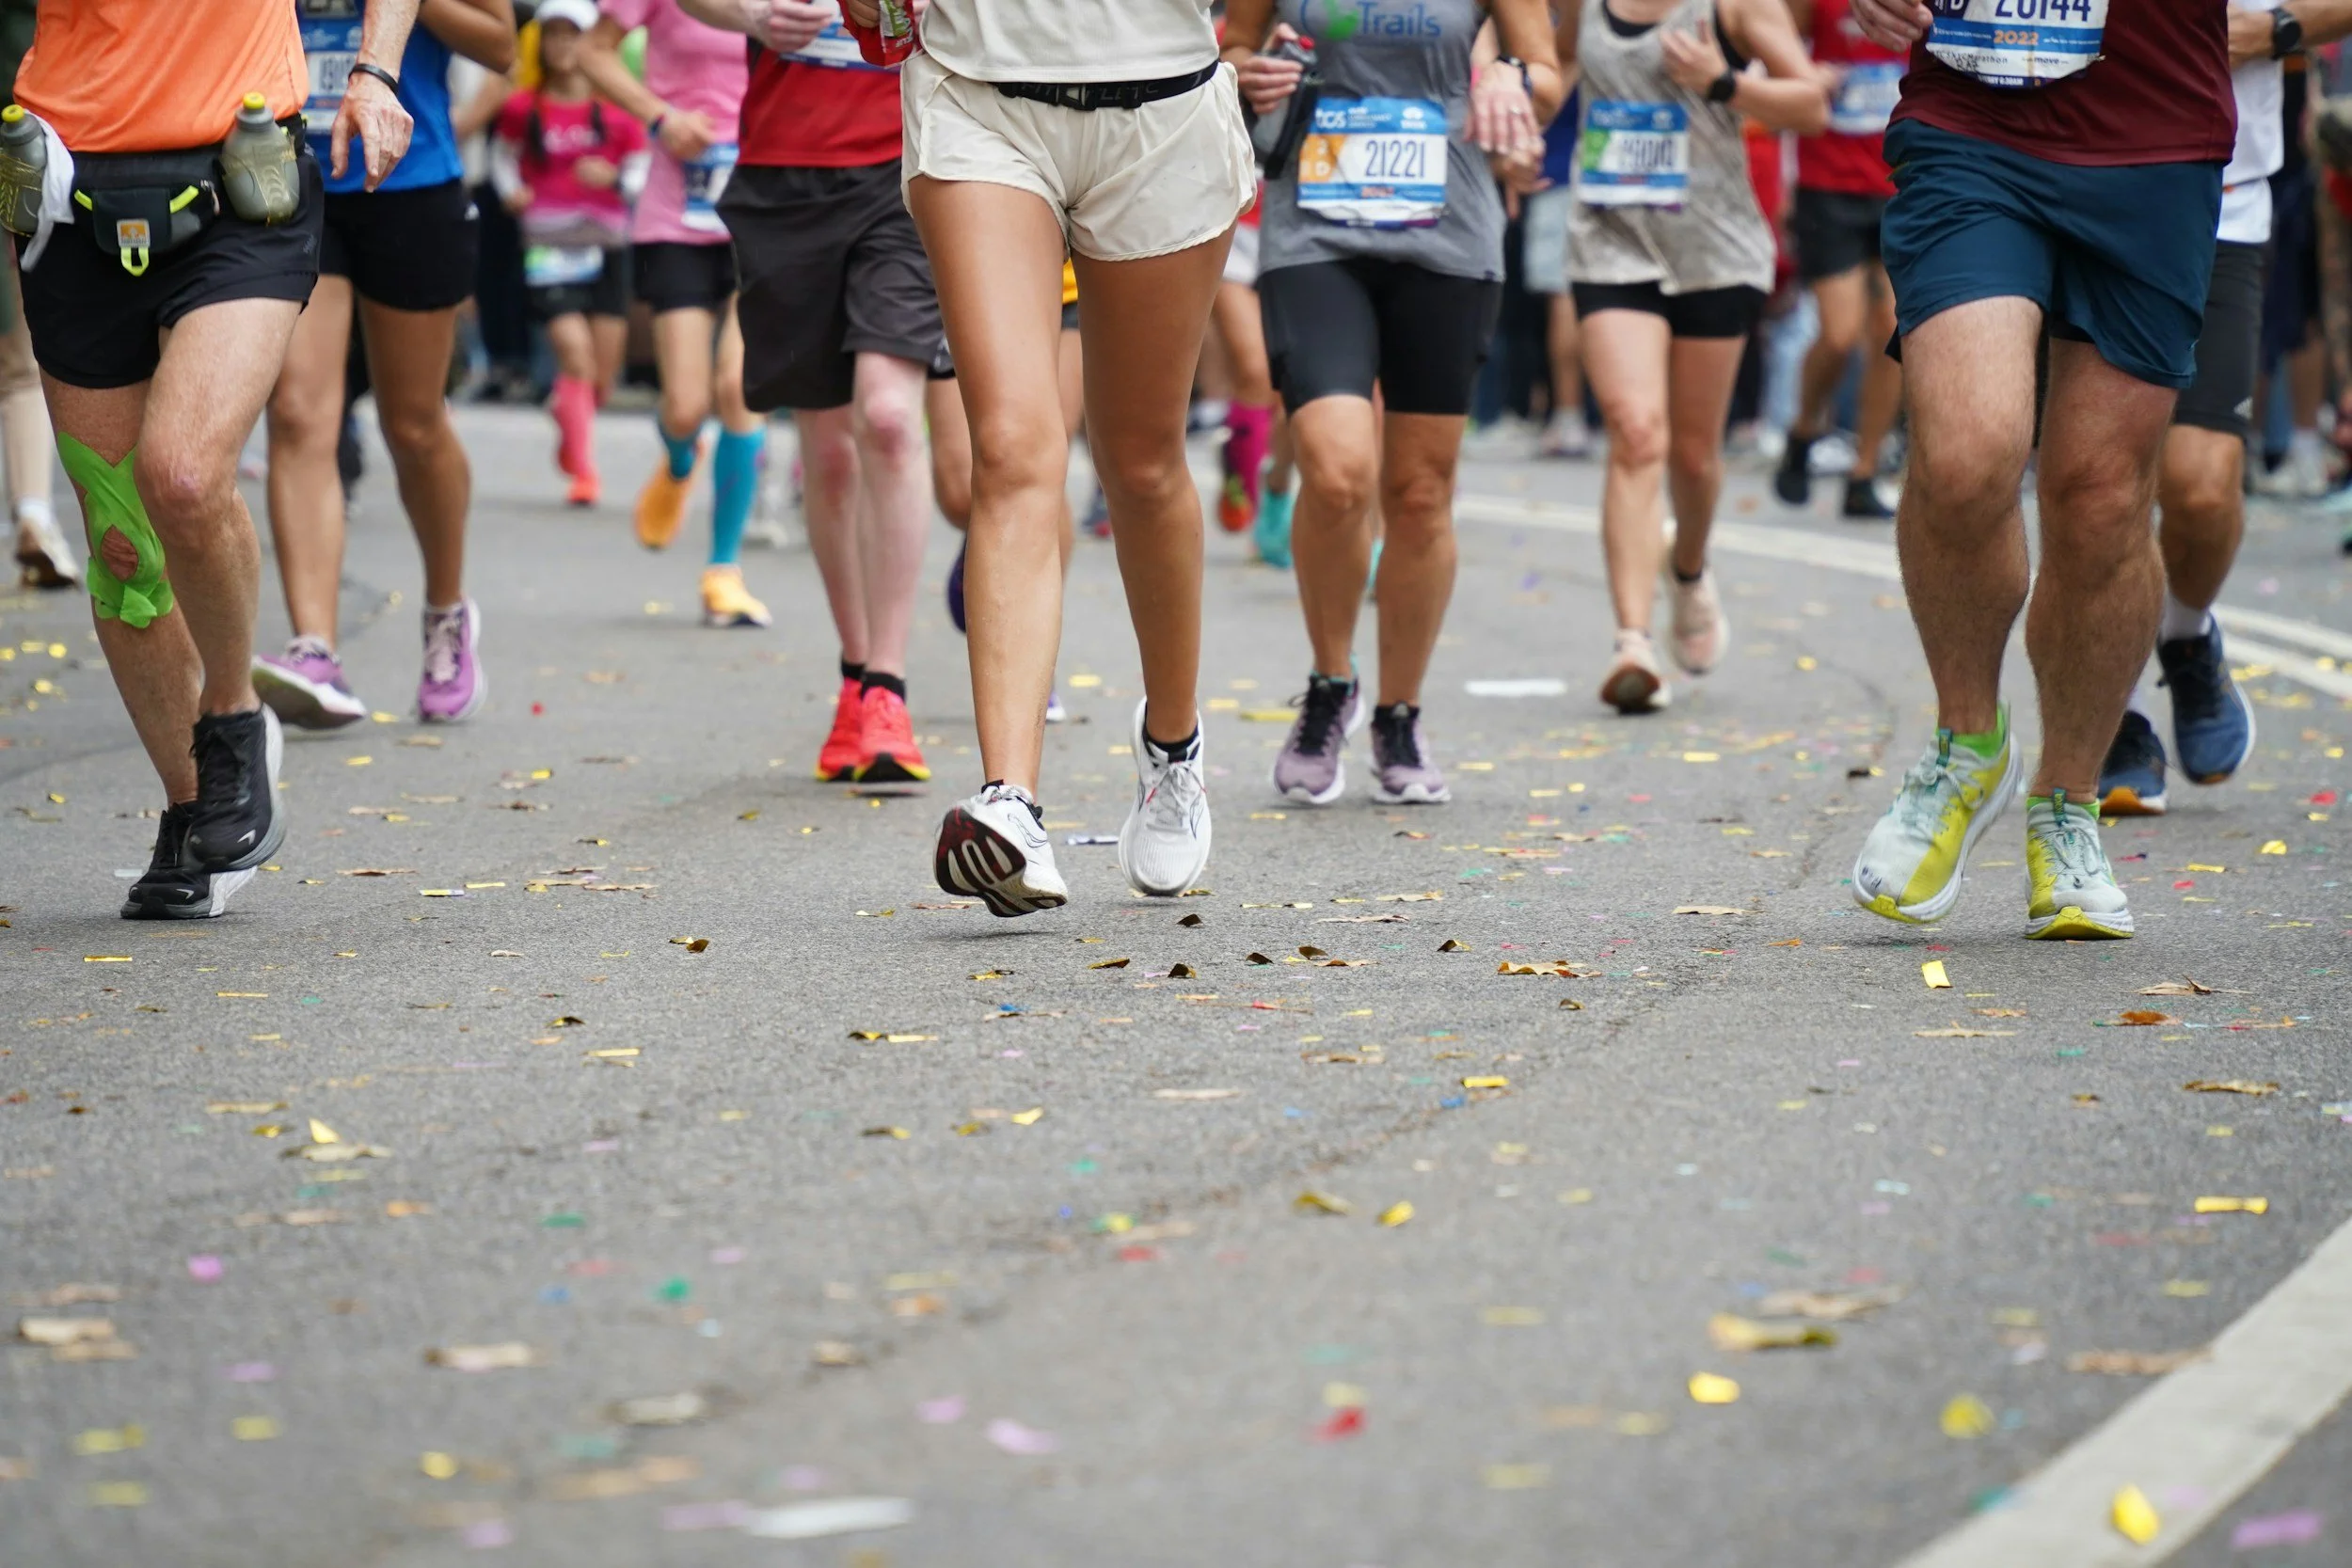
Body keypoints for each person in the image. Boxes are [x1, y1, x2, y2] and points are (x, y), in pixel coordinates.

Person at [843, 0, 1252, 915]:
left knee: (1140, 462)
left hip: (1162, 103)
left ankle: (1173, 748)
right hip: (980, 93)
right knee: (1015, 448)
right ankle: (1010, 802)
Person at [12, 0, 417, 915]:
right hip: (64, 190)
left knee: (185, 474)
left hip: (240, 176)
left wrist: (376, 71)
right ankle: (191, 805)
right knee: (122, 542)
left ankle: (231, 718)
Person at [1846, 0, 2233, 942]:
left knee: (2099, 497)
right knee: (1967, 451)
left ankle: (2066, 801)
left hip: (2153, 134)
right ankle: (1966, 745)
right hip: (1972, 121)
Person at [1228, 1, 1564, 808]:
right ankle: (1329, 682)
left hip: (1447, 234)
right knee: (1339, 472)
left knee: (1418, 491)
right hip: (1315, 230)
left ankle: (1398, 714)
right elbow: (1232, 45)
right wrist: (1245, 70)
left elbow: (1547, 75)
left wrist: (1510, 81)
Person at [2098, 0, 2352, 816]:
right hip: (2076, 188)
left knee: (2202, 487)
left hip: (2222, 198)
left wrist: (2274, 28)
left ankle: (2186, 633)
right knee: (2100, 478)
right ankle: (2114, 710)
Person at [684, 0, 946, 784]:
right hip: (784, 176)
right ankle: (857, 674)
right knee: (829, 454)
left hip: (910, 163)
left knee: (892, 419)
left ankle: (890, 690)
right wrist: (752, 15)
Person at [253, 0, 516, 734]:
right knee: (301, 411)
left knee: (414, 425)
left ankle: (446, 615)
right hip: (288, 178)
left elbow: (501, 46)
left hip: (410, 177)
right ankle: (316, 648)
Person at [1563, 0, 1828, 714]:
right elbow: (1551, 68)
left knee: (1692, 456)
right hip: (1611, 240)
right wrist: (1517, 119)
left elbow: (1810, 104)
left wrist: (1722, 82)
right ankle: (1632, 642)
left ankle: (1687, 570)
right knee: (1634, 430)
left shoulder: (1735, 6)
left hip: (1714, 249)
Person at [580, 0, 771, 628]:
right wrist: (660, 118)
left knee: (740, 387)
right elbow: (593, 52)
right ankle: (681, 457)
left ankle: (723, 571)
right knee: (686, 406)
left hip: (765, 205)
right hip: (676, 214)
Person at [492, 0, 646, 506]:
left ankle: (569, 413)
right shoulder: (522, 107)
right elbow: (503, 159)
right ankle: (585, 471)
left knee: (600, 374)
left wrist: (617, 178)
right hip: (547, 244)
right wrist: (510, 190)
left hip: (607, 244)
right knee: (574, 355)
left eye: (572, 35)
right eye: (553, 35)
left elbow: (643, 172)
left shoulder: (621, 114)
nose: (563, 46)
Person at [1769, 0, 1902, 521]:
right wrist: (1804, 77)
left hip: (1899, 184)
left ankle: (1864, 473)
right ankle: (1804, 430)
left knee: (1894, 329)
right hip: (1828, 187)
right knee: (1840, 333)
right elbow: (1770, 49)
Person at [936, 259, 1084, 725]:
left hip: (1066, 283)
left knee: (1041, 464)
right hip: (959, 273)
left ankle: (1032, 657)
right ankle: (991, 534)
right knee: (961, 493)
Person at [1520, 101, 1592, 461]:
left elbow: (1539, 106)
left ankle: (1569, 415)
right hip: (1623, 176)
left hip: (1563, 176)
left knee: (1566, 296)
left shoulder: (1562, 45)